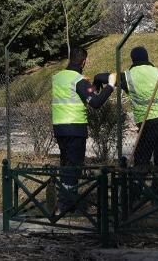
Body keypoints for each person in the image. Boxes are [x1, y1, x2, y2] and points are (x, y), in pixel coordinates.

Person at [50, 46, 114, 212]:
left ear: (70, 58)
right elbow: (96, 103)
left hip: (59, 127)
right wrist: (110, 86)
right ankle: (67, 204)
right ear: (84, 61)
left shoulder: (58, 77)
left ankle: (64, 200)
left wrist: (91, 86)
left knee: (66, 165)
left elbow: (84, 92)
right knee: (74, 167)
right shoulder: (78, 80)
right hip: (75, 128)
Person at [122, 46, 158, 168]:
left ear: (132, 59)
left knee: (142, 158)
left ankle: (138, 185)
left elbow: (104, 76)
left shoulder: (127, 76)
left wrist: (97, 81)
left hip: (148, 121)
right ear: (147, 57)